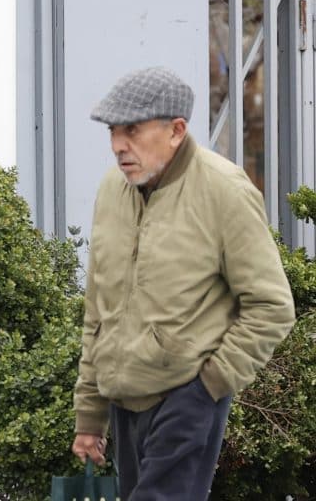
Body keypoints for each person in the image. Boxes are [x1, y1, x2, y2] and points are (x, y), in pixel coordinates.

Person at [69, 66, 296, 500]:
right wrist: (90, 416)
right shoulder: (112, 190)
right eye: (114, 131)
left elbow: (272, 306)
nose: (118, 146)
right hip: (124, 401)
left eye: (132, 130)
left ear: (176, 130)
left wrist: (208, 386)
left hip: (186, 397)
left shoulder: (225, 190)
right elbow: (99, 311)